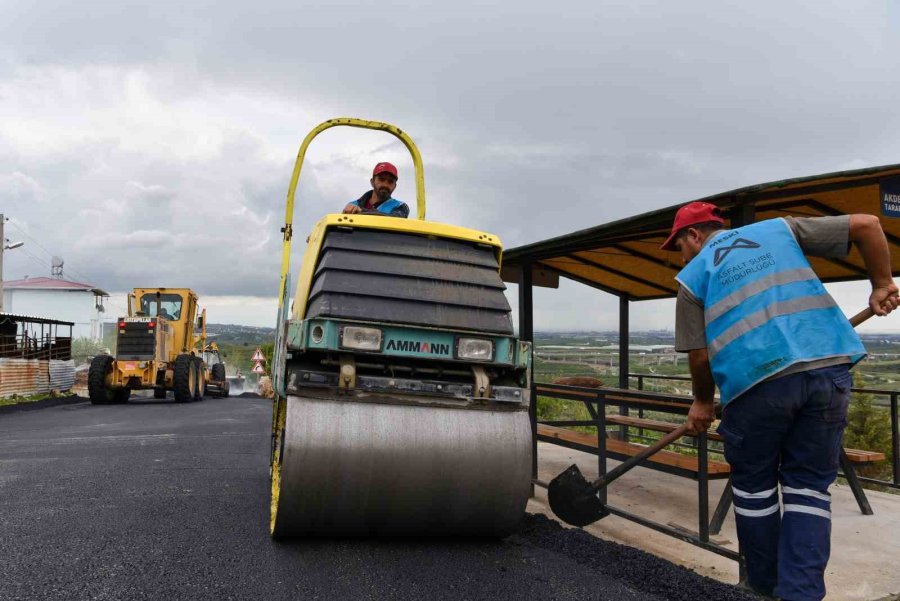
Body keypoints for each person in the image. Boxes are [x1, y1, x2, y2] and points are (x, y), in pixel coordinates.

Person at [662, 201, 898, 601]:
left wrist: (702, 403)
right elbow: (867, 224)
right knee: (808, 488)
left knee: (754, 489)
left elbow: (699, 355)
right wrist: (881, 283)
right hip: (827, 371)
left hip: (756, 387)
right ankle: (801, 595)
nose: (680, 255)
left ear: (694, 235)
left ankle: (764, 588)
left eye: (678, 245)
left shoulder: (692, 278)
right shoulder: (778, 230)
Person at [342, 162, 410, 218]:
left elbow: (394, 219)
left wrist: (361, 211)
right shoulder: (352, 205)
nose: (385, 185)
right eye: (381, 179)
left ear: (395, 186)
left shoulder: (400, 207)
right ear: (372, 182)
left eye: (390, 181)